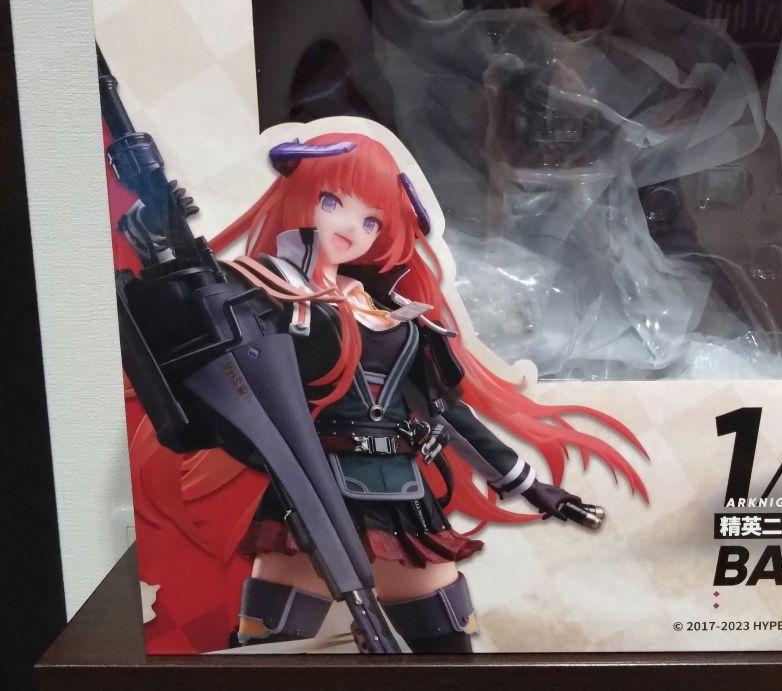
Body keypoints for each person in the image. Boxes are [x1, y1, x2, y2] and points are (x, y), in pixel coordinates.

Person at [127, 131, 647, 653]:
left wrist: (529, 484)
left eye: (372, 220)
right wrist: (157, 243)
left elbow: (444, 411)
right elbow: (194, 316)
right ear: (301, 195)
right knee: (272, 648)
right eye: (334, 202)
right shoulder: (261, 288)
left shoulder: (389, 310)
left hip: (403, 494)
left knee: (447, 639)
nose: (352, 228)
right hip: (313, 487)